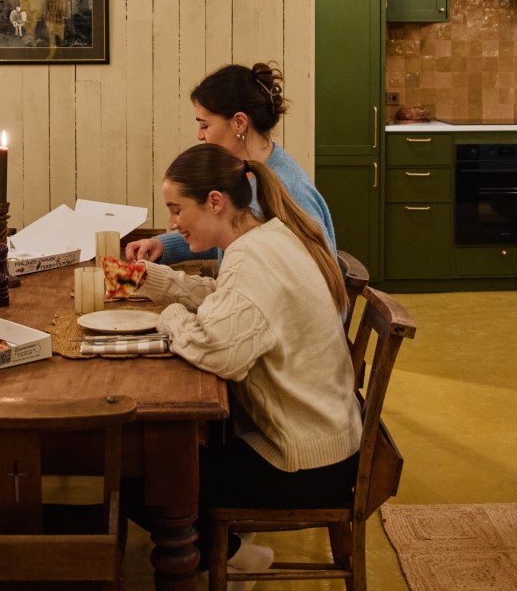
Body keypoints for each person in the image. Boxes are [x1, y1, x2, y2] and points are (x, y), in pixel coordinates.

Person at [132, 143, 361, 580]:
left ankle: (238, 554)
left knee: (144, 478)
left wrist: (172, 316)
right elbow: (231, 305)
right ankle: (232, 552)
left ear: (215, 202)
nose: (171, 224)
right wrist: (158, 283)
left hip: (304, 463)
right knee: (165, 461)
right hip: (328, 437)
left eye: (177, 209)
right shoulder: (268, 236)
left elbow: (219, 351)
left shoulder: (253, 257)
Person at [125, 63, 335, 265]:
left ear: (239, 123)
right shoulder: (243, 172)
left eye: (205, 125)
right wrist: (163, 245)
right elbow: (232, 232)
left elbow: (322, 274)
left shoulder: (290, 189)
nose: (199, 135)